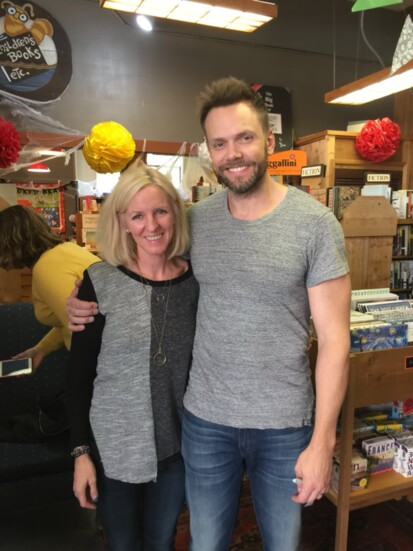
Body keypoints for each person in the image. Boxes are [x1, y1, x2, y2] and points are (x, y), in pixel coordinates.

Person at [66, 76, 351, 551]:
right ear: (209, 152)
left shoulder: (316, 225)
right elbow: (146, 260)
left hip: (283, 425)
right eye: (220, 143)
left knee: (283, 544)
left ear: (269, 140)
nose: (233, 153)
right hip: (204, 423)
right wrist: (83, 298)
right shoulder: (196, 221)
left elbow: (336, 341)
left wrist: (323, 443)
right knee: (205, 543)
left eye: (244, 137)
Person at [66, 160, 199, 551]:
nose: (151, 225)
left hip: (175, 445)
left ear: (175, 213)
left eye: (160, 211)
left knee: (161, 541)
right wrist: (80, 454)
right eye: (137, 215)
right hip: (113, 448)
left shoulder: (196, 281)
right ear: (122, 221)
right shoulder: (99, 281)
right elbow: (78, 375)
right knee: (122, 544)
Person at [0, 204, 100, 370]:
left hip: (100, 365)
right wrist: (41, 349)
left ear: (12, 242)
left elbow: (85, 328)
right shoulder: (66, 250)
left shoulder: (47, 267)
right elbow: (71, 320)